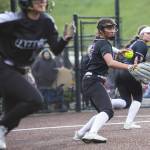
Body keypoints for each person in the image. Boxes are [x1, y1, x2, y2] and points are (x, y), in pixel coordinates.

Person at [0, 0, 74, 149]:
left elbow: (55, 50)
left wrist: (65, 39)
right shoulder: (10, 20)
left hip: (21, 71)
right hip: (4, 67)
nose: (43, 1)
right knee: (35, 100)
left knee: (12, 117)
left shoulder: (46, 21)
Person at [73, 18, 136, 143]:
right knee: (108, 111)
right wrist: (129, 66)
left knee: (103, 111)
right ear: (101, 31)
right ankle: (92, 133)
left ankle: (80, 133)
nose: (112, 31)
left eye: (113, 28)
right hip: (94, 80)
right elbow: (110, 63)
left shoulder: (99, 42)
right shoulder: (104, 43)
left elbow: (104, 48)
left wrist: (118, 51)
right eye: (109, 28)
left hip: (91, 80)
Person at [113, 26, 150, 129]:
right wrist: (141, 75)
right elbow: (136, 63)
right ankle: (128, 123)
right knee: (138, 97)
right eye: (148, 33)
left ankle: (108, 101)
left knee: (126, 102)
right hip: (129, 72)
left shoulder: (133, 44)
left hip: (120, 73)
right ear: (142, 34)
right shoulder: (142, 44)